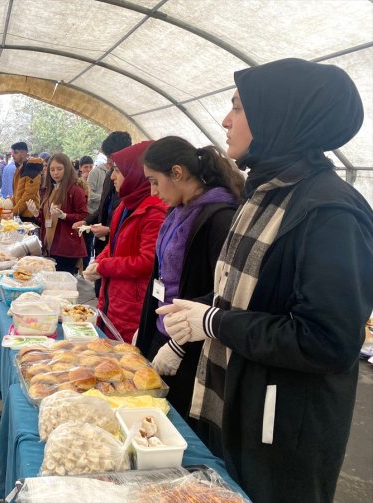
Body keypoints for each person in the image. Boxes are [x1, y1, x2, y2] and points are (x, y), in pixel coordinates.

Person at [156, 58, 373, 503]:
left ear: (281, 113)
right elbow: (245, 295)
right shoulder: (264, 194)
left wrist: (212, 322)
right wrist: (186, 323)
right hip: (233, 400)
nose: (225, 120)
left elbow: (326, 340)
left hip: (281, 431)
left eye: (238, 108)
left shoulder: (331, 213)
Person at [134, 136, 243, 420]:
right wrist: (146, 327)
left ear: (178, 173)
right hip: (163, 330)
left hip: (190, 345)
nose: (153, 191)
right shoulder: (178, 212)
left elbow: (222, 293)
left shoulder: (219, 218)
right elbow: (162, 276)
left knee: (177, 418)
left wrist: (178, 344)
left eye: (155, 181)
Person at [83, 141, 166, 343]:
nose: (112, 177)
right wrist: (98, 261)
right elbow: (113, 246)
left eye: (118, 171)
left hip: (132, 305)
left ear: (135, 173)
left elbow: (147, 261)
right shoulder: (125, 206)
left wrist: (104, 265)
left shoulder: (153, 211)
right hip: (112, 298)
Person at [73, 131, 132, 296]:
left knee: (111, 291)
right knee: (100, 291)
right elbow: (102, 208)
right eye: (108, 159)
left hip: (118, 250)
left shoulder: (135, 184)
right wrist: (86, 222)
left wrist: (110, 230)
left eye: (112, 158)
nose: (110, 164)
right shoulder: (109, 175)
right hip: (102, 245)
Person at [27, 153, 88, 274]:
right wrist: (36, 213)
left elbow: (84, 216)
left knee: (62, 285)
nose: (55, 173)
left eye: (59, 169)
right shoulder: (48, 189)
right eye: (52, 169)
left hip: (67, 247)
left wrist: (65, 216)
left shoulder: (75, 190)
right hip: (50, 245)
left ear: (67, 168)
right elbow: (46, 217)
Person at [10, 142, 42, 223]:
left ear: (23, 154)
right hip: (20, 213)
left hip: (30, 215)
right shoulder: (19, 168)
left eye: (15, 152)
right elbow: (17, 192)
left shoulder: (32, 169)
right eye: (12, 153)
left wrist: (14, 211)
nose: (13, 155)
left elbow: (28, 196)